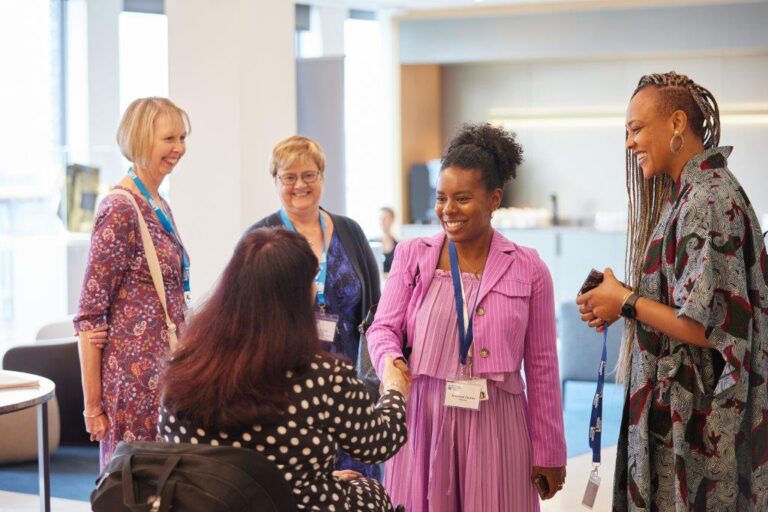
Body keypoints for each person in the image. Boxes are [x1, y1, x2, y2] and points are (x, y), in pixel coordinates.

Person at [577, 71, 768, 511]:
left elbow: (708, 327)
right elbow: (684, 303)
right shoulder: (693, 194)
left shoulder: (707, 201)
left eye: (636, 129)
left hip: (697, 435)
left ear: (677, 124)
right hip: (678, 422)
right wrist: (619, 297)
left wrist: (627, 301)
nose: (629, 143)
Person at [366, 123, 567, 511]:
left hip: (497, 422)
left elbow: (542, 365)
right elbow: (383, 328)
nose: (447, 210)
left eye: (462, 198)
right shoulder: (412, 257)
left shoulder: (528, 268)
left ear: (494, 199)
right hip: (423, 418)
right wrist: (390, 364)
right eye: (441, 198)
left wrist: (550, 449)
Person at [158, 228, 409, 512]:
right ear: (297, 296)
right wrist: (394, 389)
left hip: (213, 503)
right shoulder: (321, 377)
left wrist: (311, 479)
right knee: (370, 493)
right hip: (289, 503)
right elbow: (379, 443)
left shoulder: (185, 365)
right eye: (312, 280)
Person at [244, 135, 382, 478]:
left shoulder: (351, 231)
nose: (300, 185)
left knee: (357, 488)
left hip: (352, 390)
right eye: (288, 177)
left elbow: (375, 310)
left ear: (322, 176)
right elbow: (246, 319)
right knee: (303, 487)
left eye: (309, 175)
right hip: (288, 394)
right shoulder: (259, 238)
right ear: (275, 181)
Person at [74, 97, 191, 469]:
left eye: (182, 138)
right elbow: (90, 316)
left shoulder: (157, 201)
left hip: (166, 375)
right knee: (134, 489)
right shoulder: (120, 208)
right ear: (141, 140)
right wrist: (93, 407)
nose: (179, 149)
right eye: (169, 138)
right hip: (133, 383)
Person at [378, 207, 398, 275]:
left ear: (392, 220)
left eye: (385, 218)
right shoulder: (371, 244)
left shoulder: (398, 246)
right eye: (380, 218)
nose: (382, 221)